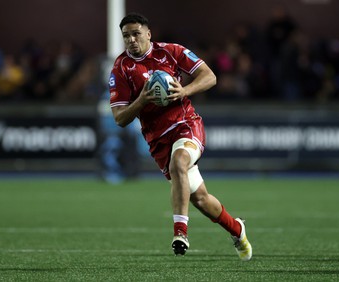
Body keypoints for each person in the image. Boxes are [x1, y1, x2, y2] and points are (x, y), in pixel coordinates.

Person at [108, 12, 252, 260]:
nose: (131, 40)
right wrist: (141, 100)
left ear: (148, 34)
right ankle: (237, 229)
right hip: (158, 140)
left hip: (186, 124)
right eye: (126, 36)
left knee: (180, 161)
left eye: (136, 34)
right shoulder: (121, 69)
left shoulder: (171, 52)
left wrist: (184, 90)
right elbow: (120, 118)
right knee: (201, 199)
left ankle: (180, 233)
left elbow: (210, 77)